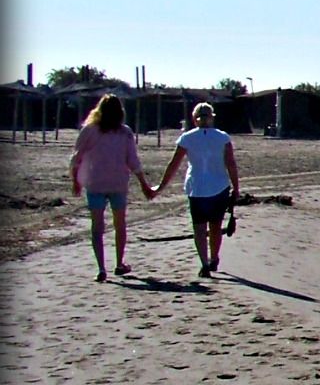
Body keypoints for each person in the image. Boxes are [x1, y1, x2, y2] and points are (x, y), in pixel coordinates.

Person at [70, 94, 159, 282]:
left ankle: (101, 268)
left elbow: (76, 157)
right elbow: (133, 161)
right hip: (118, 183)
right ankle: (119, 263)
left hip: (95, 183)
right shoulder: (125, 132)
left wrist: (75, 181)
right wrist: (144, 184)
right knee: (120, 224)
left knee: (97, 227)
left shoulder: (89, 130)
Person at [157, 102, 241, 277]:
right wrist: (236, 187)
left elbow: (174, 164)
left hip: (196, 187)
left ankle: (204, 263)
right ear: (211, 118)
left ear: (194, 120)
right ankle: (214, 257)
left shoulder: (187, 138)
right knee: (215, 226)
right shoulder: (223, 137)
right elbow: (231, 164)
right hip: (219, 186)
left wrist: (161, 186)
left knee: (199, 228)